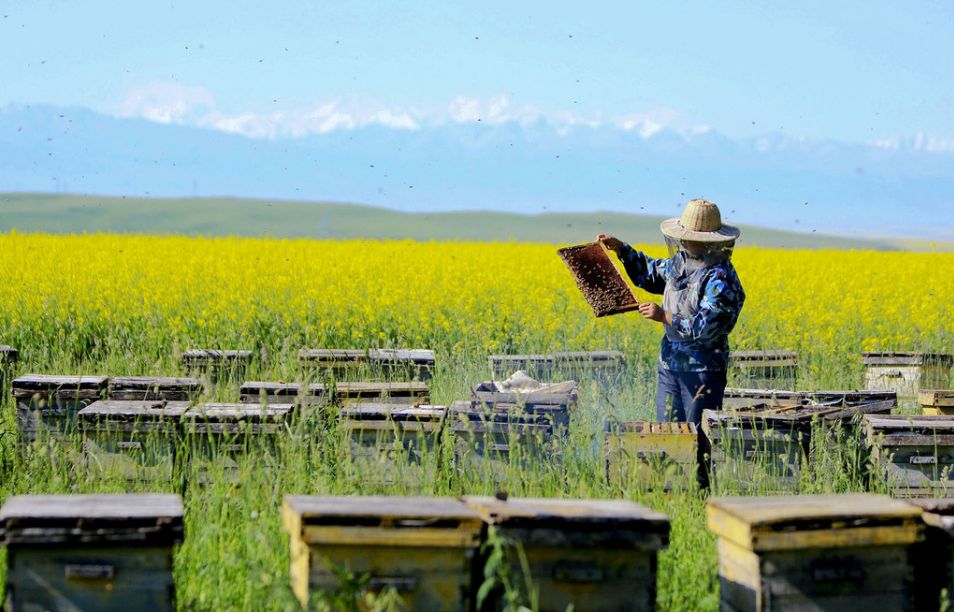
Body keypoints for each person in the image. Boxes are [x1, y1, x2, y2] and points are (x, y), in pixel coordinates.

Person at [598, 198, 745, 424]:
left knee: (697, 442)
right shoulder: (681, 262)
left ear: (708, 241)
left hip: (702, 370)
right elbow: (650, 273)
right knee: (668, 438)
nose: (684, 241)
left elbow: (705, 328)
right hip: (669, 365)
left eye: (690, 237)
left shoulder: (720, 278)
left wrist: (663, 315)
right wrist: (621, 249)